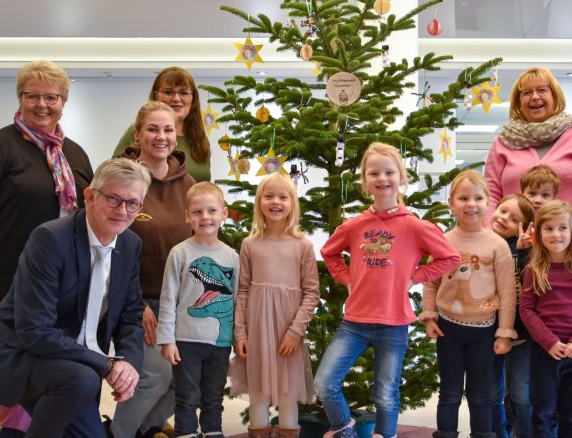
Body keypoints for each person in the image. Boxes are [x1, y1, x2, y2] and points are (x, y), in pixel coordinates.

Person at [0, 59, 94, 434]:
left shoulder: (74, 154)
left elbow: (90, 213)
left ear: (64, 102)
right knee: (11, 366)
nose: (42, 105)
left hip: (60, 284)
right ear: (20, 98)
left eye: (52, 97)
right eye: (33, 96)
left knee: (51, 365)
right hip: (4, 279)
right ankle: (8, 432)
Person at [0, 158, 151, 437]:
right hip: (18, 352)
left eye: (132, 203)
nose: (123, 210)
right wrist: (107, 364)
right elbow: (34, 331)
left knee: (83, 392)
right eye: (113, 199)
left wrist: (129, 363)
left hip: (74, 365)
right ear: (89, 197)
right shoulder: (51, 239)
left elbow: (131, 314)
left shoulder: (130, 243)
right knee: (82, 379)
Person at [317, 142, 461, 438]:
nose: (382, 178)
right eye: (374, 173)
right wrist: (347, 279)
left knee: (385, 394)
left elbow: (450, 258)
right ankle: (344, 430)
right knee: (324, 384)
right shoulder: (354, 225)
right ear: (365, 181)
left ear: (401, 177)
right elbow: (329, 253)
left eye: (389, 172)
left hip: (393, 323)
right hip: (354, 323)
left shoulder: (415, 226)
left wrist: (415, 277)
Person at [110, 101, 196, 438]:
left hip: (180, 303)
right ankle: (118, 434)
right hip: (139, 302)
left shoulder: (188, 184)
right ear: (137, 134)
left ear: (176, 136)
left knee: (187, 380)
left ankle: (146, 431)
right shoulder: (125, 180)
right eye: (153, 129)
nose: (161, 136)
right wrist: (139, 304)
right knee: (155, 376)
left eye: (168, 129)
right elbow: (112, 251)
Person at [420, 170, 516, 438]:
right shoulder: (443, 241)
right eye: (463, 198)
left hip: (484, 332)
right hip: (448, 330)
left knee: (481, 395)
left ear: (488, 203)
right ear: (451, 203)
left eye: (478, 198)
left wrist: (504, 332)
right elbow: (431, 282)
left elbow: (508, 292)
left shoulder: (497, 245)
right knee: (449, 393)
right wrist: (429, 316)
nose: (471, 204)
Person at [230, 173, 321, 438]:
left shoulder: (303, 245)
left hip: (287, 334)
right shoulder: (250, 244)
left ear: (293, 202)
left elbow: (311, 293)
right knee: (258, 392)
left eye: (283, 196)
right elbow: (243, 291)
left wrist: (295, 332)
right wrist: (240, 333)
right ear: (259, 202)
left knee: (286, 393)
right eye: (269, 196)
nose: (275, 202)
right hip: (257, 332)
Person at [158, 182, 240, 438]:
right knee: (187, 396)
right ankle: (186, 433)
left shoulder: (232, 257)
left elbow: (236, 300)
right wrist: (167, 340)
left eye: (212, 211)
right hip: (186, 340)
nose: (205, 217)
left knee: (213, 396)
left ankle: (213, 432)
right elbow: (168, 299)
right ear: (187, 216)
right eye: (197, 212)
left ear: (224, 213)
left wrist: (238, 338)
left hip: (219, 343)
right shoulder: (179, 253)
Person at [484, 67, 572, 226]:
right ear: (519, 102)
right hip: (511, 243)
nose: (535, 97)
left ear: (554, 96)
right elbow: (491, 194)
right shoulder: (503, 142)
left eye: (542, 90)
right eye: (527, 93)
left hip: (568, 239)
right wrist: (491, 232)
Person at [518, 200, 572, 438]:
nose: (556, 234)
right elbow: (527, 310)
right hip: (545, 353)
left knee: (571, 416)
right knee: (543, 415)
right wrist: (549, 342)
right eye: (549, 228)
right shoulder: (534, 270)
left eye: (563, 228)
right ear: (539, 232)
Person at [489, 194, 535, 438]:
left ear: (524, 226)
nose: (505, 218)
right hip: (489, 333)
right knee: (492, 393)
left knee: (521, 394)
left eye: (514, 218)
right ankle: (499, 433)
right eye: (503, 211)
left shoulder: (528, 250)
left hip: (523, 336)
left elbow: (533, 286)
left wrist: (525, 252)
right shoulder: (484, 244)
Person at [114, 66, 211, 182]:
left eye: (183, 92)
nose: (176, 98)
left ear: (193, 98)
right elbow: (114, 174)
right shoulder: (140, 130)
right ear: (156, 96)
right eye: (168, 92)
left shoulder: (199, 136)